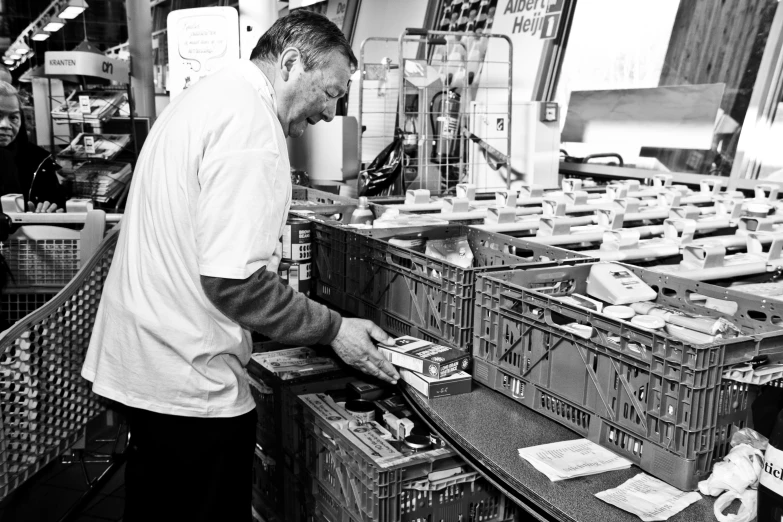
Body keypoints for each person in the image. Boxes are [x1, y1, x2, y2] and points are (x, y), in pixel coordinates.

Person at [81, 11, 400, 522]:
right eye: (330, 92)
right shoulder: (252, 128)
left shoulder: (208, 96)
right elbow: (234, 284)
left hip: (145, 361)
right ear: (292, 63)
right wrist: (333, 328)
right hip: (188, 383)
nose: (329, 113)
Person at [0, 81, 65, 212]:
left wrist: (50, 214)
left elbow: (59, 209)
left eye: (13, 117)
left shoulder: (39, 160)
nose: (5, 125)